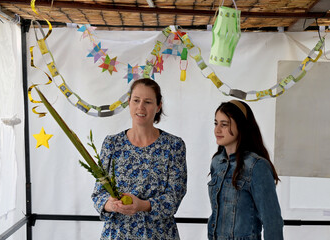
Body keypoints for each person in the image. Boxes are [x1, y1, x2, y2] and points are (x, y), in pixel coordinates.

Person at [92, 78, 187, 240]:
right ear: (129, 103)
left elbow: (174, 198)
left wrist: (142, 205)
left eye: (148, 102)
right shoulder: (112, 144)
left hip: (159, 235)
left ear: (158, 106)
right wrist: (112, 205)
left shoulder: (174, 145)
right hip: (118, 234)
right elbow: (98, 194)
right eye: (136, 100)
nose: (141, 107)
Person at [208, 100, 284, 240]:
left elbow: (272, 221)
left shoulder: (257, 166)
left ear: (241, 126)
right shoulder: (217, 162)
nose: (217, 130)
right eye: (216, 123)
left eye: (224, 125)